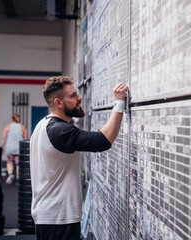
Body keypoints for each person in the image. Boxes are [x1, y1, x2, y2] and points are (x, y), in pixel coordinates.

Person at [30, 76, 128, 240]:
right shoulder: (60, 131)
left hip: (50, 216)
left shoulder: (43, 125)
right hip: (58, 218)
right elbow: (102, 141)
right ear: (58, 103)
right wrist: (119, 103)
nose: (79, 98)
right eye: (73, 95)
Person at [1, 113, 28, 184]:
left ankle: (10, 174)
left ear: (12, 119)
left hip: (10, 148)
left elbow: (4, 137)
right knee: (18, 163)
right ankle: (18, 179)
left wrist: (2, 146)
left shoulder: (8, 126)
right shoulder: (22, 127)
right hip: (18, 148)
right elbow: (26, 139)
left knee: (9, 162)